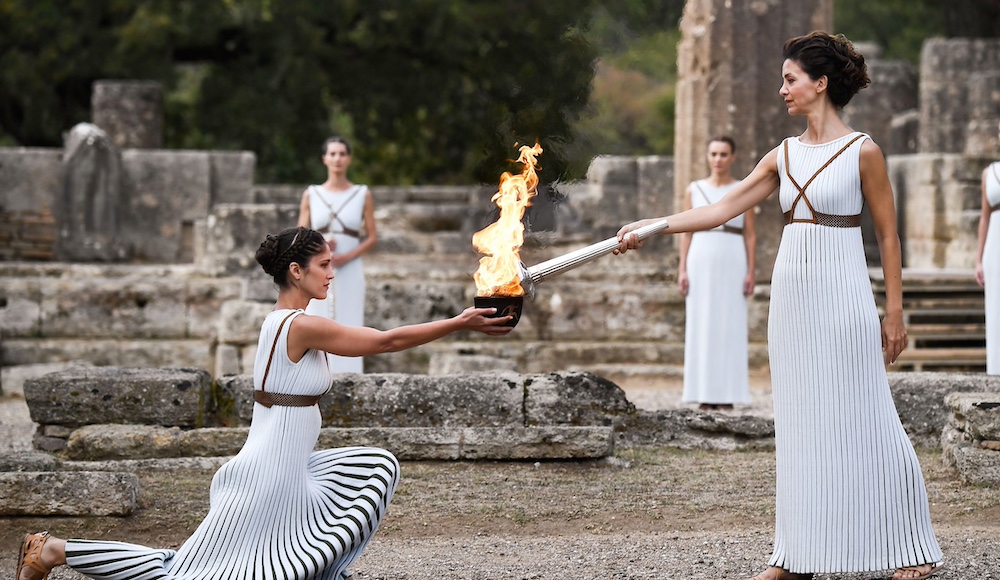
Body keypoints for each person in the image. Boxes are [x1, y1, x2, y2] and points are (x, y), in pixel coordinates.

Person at [615, 31, 943, 580]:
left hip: (844, 290)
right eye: (783, 80)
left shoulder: (864, 151)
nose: (782, 89)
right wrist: (655, 226)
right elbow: (722, 209)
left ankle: (913, 546)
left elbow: (888, 237)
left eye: (791, 79)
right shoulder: (782, 155)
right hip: (793, 296)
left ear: (821, 83)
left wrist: (893, 311)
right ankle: (796, 555)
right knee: (799, 420)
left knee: (865, 411)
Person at [15, 226, 512, 580]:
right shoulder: (298, 324)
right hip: (266, 476)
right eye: (323, 266)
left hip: (286, 471)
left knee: (375, 467)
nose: (331, 275)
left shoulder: (291, 323)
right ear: (295, 271)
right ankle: (54, 550)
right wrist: (457, 323)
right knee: (185, 573)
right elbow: (382, 342)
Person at [678, 135, 756, 411]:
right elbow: (686, 231)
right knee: (703, 323)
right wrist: (682, 268)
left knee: (730, 323)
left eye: (724, 154)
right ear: (707, 156)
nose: (718, 159)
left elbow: (750, 235)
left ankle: (728, 393)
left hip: (732, 256)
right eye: (714, 154)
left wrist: (750, 272)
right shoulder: (695, 189)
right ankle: (703, 392)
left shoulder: (742, 189)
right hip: (702, 255)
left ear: (732, 157)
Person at [298, 136, 376, 373]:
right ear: (324, 159)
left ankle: (350, 375)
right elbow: (300, 235)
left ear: (349, 158)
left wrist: (347, 256)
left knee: (350, 320)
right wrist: (320, 243)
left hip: (350, 267)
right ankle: (315, 375)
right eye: (332, 154)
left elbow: (372, 237)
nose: (337, 158)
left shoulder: (362, 194)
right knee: (317, 318)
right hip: (317, 267)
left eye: (342, 153)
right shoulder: (312, 194)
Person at [975, 120, 1000, 375]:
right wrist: (979, 259)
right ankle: (996, 372)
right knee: (995, 307)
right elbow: (984, 216)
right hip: (995, 244)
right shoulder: (989, 172)